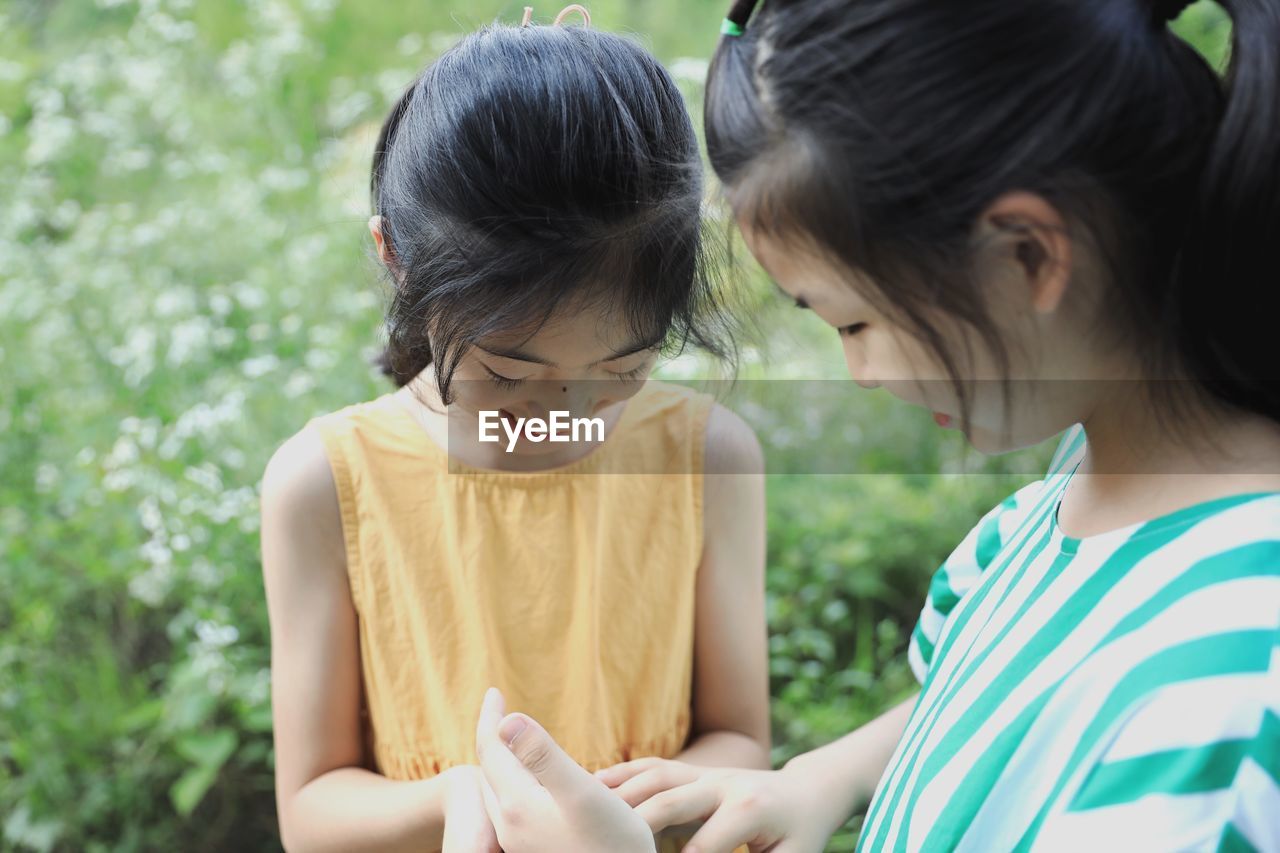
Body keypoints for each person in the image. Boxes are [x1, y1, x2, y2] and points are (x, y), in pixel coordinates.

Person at [471, 0, 1280, 849]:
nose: (860, 374)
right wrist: (834, 771)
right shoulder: (1096, 482)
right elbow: (1010, 696)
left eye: (855, 321)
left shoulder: (1228, 695)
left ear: (1027, 256)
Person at [258, 9, 771, 851]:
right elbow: (311, 806)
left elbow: (740, 738)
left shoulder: (708, 458)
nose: (566, 409)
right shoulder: (327, 482)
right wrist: (464, 795)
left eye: (621, 373)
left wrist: (626, 807)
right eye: (507, 373)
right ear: (396, 259)